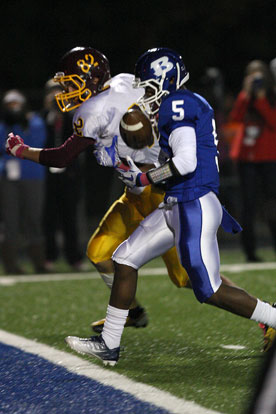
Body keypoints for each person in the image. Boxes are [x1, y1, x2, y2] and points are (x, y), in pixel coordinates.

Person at [63, 48, 276, 366]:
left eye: (148, 86)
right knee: (124, 258)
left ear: (165, 82)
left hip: (194, 203)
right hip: (176, 203)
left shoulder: (179, 105)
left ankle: (272, 316)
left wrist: (145, 178)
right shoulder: (177, 104)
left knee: (210, 290)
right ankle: (109, 344)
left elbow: (186, 163)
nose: (144, 93)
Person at [5, 46, 192, 327]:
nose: (65, 89)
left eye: (70, 82)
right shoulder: (126, 81)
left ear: (90, 79)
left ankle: (266, 315)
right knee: (99, 252)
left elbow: (63, 156)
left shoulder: (93, 110)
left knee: (187, 277)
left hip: (160, 196)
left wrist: (22, 151)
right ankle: (131, 312)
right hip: (136, 194)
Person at [228, 60, 276, 263]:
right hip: (246, 158)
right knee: (248, 205)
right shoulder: (245, 98)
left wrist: (262, 99)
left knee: (272, 204)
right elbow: (234, 120)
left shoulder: (271, 95)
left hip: (269, 157)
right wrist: (245, 95)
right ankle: (249, 251)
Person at [0, 89, 47, 274]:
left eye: (16, 103)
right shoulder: (3, 124)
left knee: (34, 219)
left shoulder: (33, 121)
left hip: (33, 176)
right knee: (10, 221)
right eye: (10, 105)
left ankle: (39, 264)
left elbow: (35, 143)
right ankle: (11, 265)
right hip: (9, 179)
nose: (14, 108)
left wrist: (22, 126)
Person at [42, 79, 84, 272]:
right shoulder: (43, 116)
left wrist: (65, 111)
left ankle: (74, 258)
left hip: (68, 174)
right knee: (49, 218)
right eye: (51, 93)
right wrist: (49, 113)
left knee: (70, 217)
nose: (55, 96)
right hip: (48, 175)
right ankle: (49, 256)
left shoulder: (73, 115)